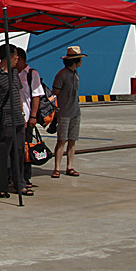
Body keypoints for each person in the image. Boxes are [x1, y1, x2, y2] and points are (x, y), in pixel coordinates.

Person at [0, 44, 31, 196]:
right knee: (3, 155)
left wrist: (22, 113)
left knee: (19, 152)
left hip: (18, 119)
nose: (17, 58)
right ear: (8, 56)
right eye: (15, 55)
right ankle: (0, 185)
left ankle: (20, 183)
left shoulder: (14, 73)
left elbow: (18, 93)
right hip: (5, 120)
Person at [51, 46, 86, 178]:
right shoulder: (62, 75)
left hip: (75, 112)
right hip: (64, 112)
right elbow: (55, 93)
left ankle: (69, 166)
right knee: (62, 140)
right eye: (80, 59)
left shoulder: (75, 74)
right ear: (75, 61)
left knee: (72, 140)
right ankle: (57, 168)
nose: (81, 61)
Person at [15, 47, 44, 189]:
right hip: (14, 118)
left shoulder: (32, 74)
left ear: (19, 58)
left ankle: (26, 177)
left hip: (26, 117)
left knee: (26, 148)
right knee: (15, 148)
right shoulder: (12, 74)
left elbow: (36, 96)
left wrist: (33, 116)